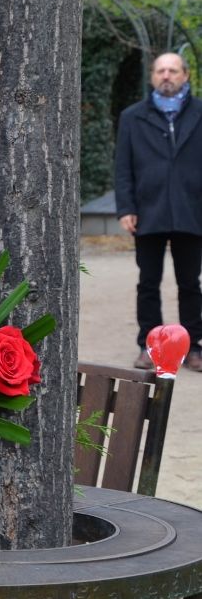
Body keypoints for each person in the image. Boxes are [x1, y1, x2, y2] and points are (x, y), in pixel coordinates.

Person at [114, 52, 202, 371]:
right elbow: (123, 167)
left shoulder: (200, 112)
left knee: (190, 283)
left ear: (185, 75)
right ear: (152, 76)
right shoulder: (132, 116)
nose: (167, 75)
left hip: (191, 210)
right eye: (161, 70)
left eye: (173, 70)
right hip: (147, 211)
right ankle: (149, 346)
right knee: (148, 283)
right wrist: (126, 207)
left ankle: (194, 347)